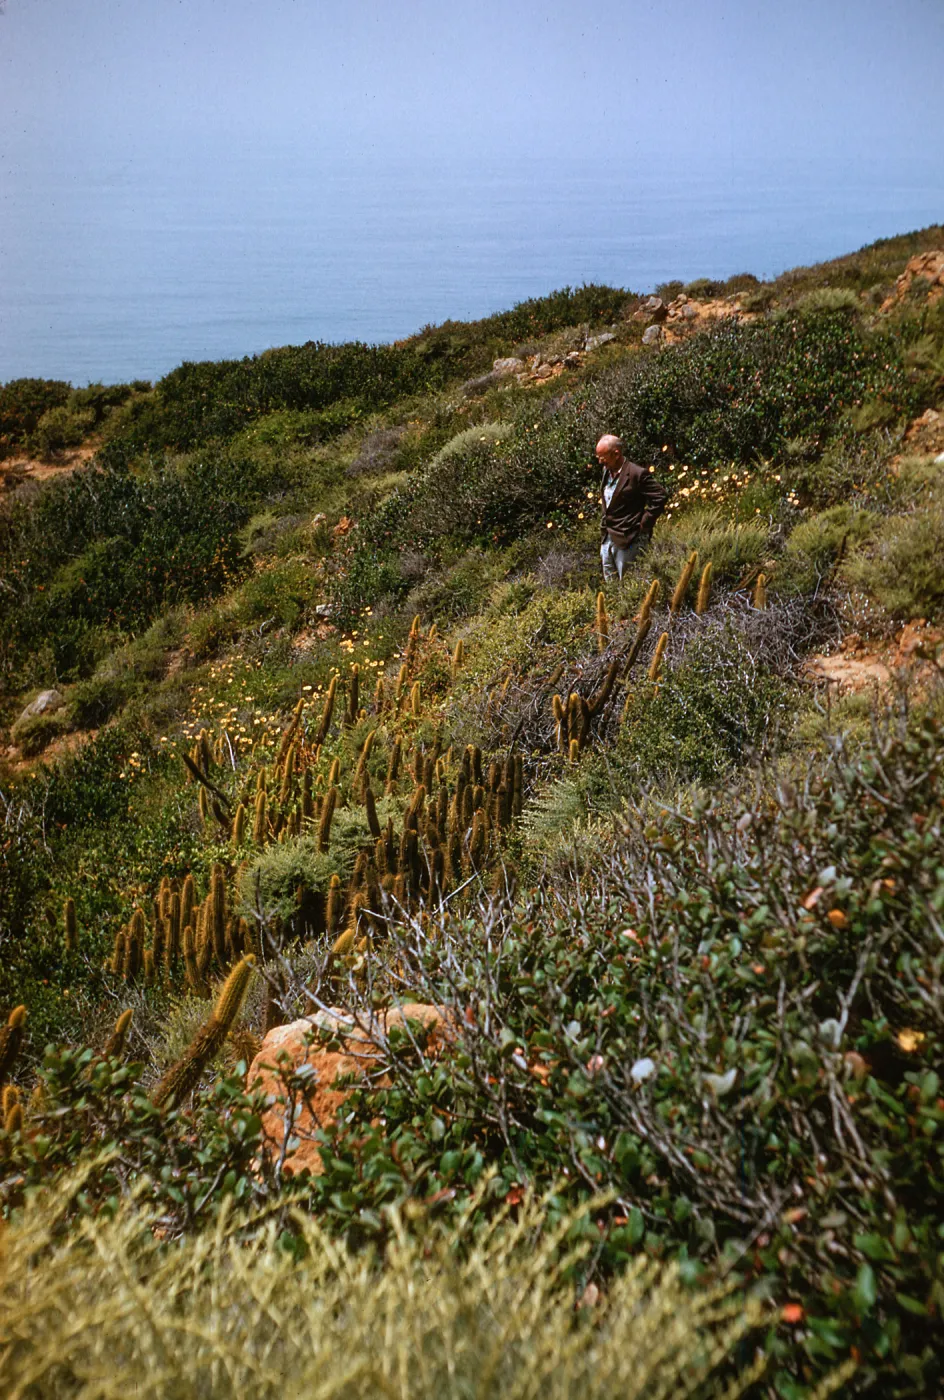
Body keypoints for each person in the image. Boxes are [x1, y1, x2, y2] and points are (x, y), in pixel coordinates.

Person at [596, 434, 667, 582]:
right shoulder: (606, 472)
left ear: (616, 454)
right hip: (607, 539)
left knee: (629, 585)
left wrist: (644, 523)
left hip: (628, 540)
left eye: (603, 458)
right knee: (611, 589)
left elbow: (660, 496)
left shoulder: (637, 474)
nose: (600, 462)